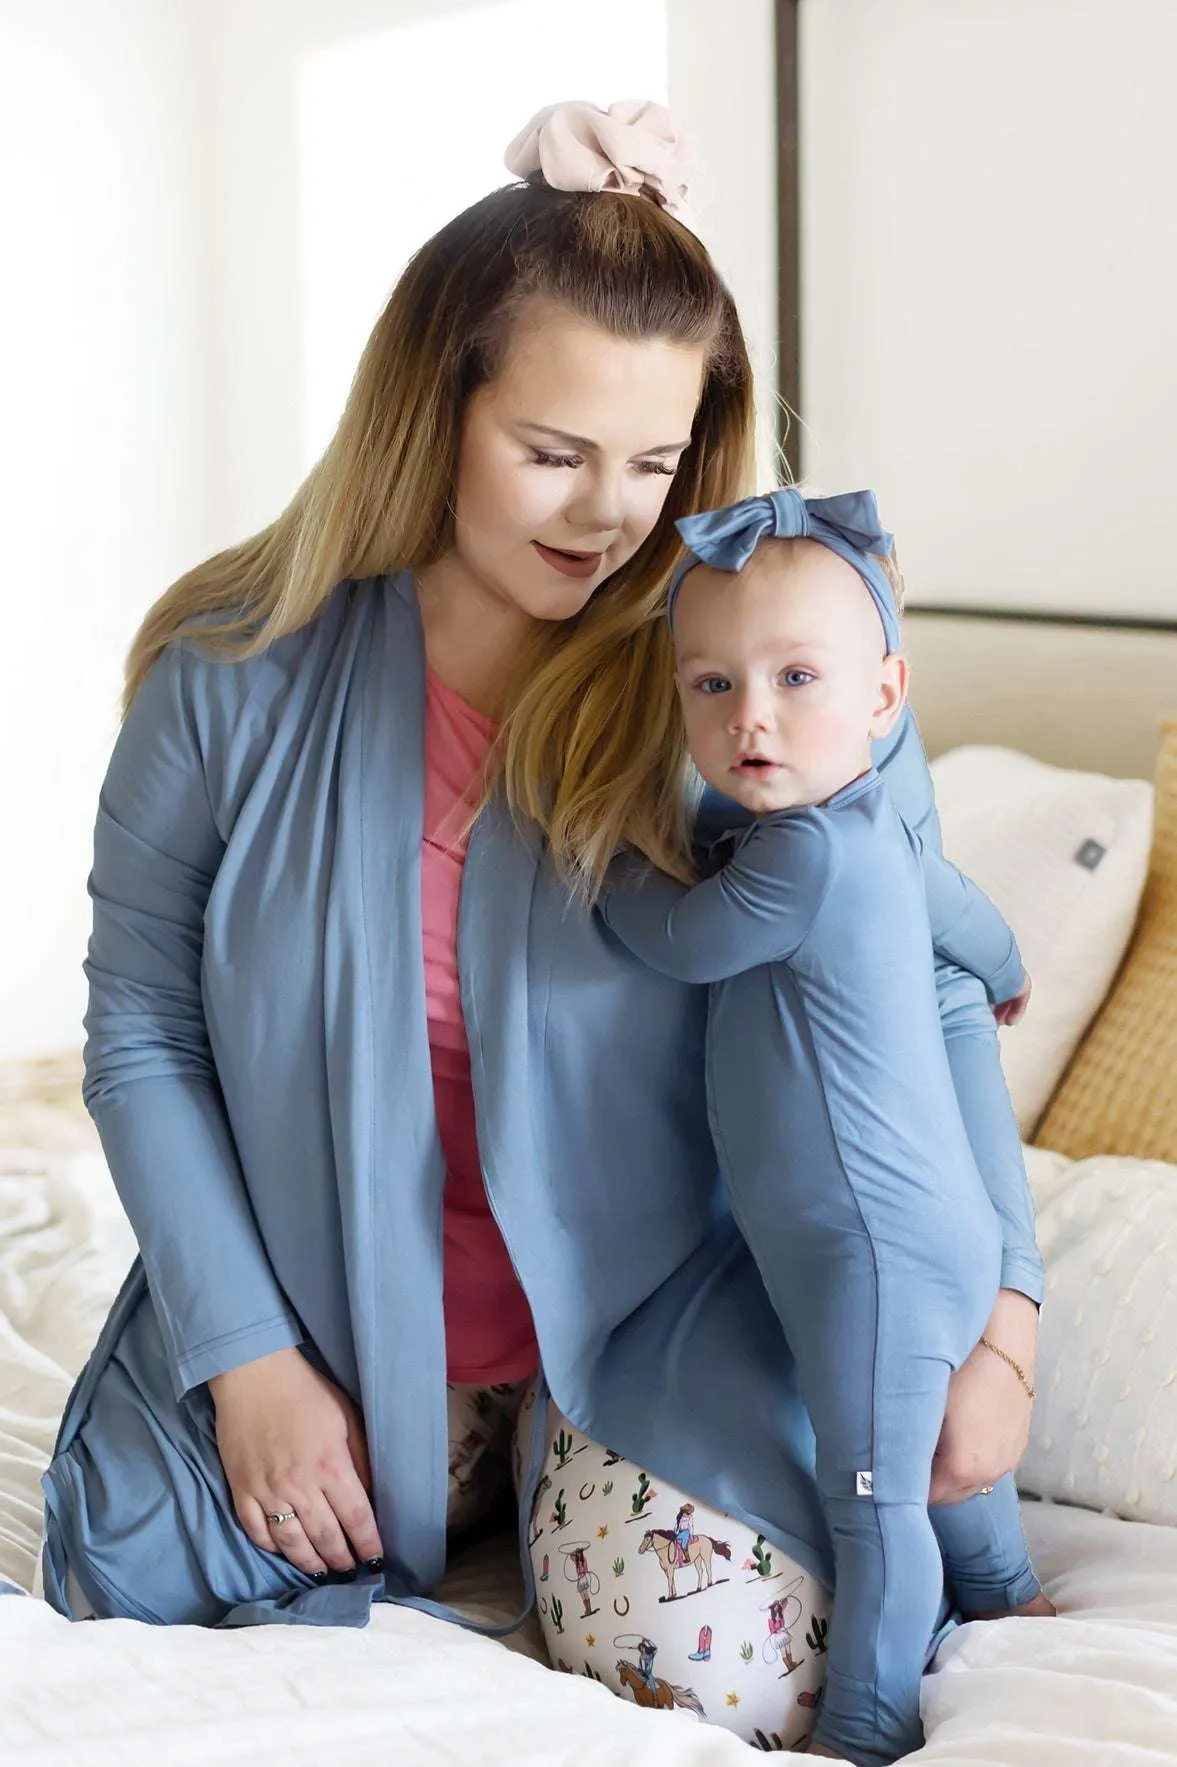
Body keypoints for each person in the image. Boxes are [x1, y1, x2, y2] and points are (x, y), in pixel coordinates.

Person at [39, 100, 1043, 1760]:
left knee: (741, 1679)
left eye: (653, 462)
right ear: (436, 403)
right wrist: (248, 1364)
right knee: (135, 1577)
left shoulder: (759, 660)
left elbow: (922, 990)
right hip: (323, 1308)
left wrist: (1002, 1314)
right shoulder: (228, 668)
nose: (608, 515)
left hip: (650, 1306)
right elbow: (141, 1026)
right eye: (553, 451)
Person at [600, 487, 1053, 1763]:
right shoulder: (877, 836)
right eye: (708, 685)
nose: (749, 715)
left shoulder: (793, 861)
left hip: (871, 1256)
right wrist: (1010, 972)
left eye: (796, 676)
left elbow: (680, 942)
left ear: (884, 697)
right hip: (922, 1235)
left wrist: (609, 869)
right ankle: (1009, 1596)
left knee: (874, 1502)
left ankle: (864, 1724)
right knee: (933, 1465)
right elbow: (968, 921)